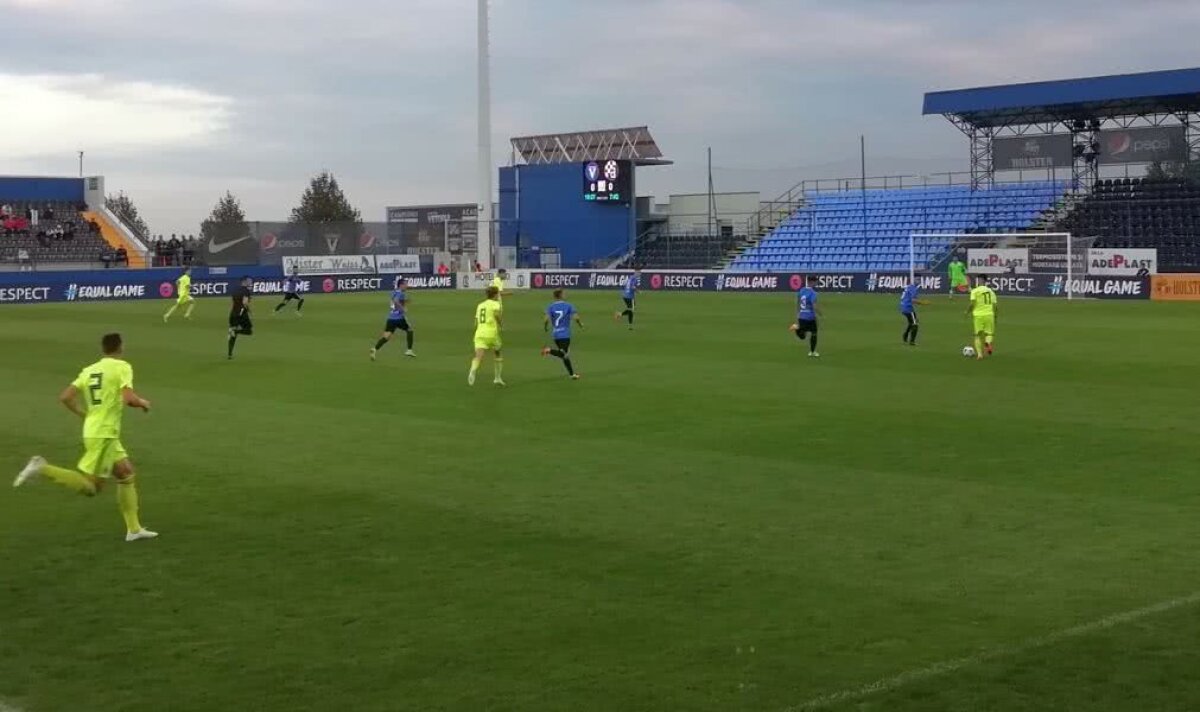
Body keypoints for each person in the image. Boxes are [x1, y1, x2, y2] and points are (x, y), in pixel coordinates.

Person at [13, 333, 157, 542]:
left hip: (95, 430)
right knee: (92, 488)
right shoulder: (122, 367)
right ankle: (42, 468)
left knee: (126, 473)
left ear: (103, 348)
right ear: (120, 347)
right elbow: (128, 399)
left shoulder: (89, 370)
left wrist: (85, 414)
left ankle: (134, 530)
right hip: (104, 434)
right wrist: (143, 403)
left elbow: (65, 397)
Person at [370, 276, 416, 360]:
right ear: (401, 285)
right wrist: (403, 309)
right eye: (405, 284)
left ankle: (375, 349)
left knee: (386, 336)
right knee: (410, 330)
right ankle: (409, 350)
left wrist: (405, 301)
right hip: (398, 318)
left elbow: (396, 301)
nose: (406, 285)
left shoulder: (394, 291)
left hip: (391, 318)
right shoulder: (400, 293)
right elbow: (396, 301)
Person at [541, 289, 583, 380]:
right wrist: (580, 324)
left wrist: (545, 327)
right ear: (561, 295)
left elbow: (546, 319)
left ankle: (572, 374)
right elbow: (576, 317)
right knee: (564, 354)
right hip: (565, 334)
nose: (565, 295)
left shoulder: (550, 306)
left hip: (556, 334)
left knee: (565, 355)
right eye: (564, 294)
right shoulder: (568, 305)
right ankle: (548, 350)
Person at [468, 285, 504, 386]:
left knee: (478, 356)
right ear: (495, 294)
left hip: (479, 333)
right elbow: (497, 315)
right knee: (498, 352)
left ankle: (473, 369)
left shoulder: (480, 305)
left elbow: (475, 322)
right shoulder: (495, 304)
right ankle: (497, 378)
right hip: (491, 333)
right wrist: (501, 324)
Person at [966, 275, 997, 360]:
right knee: (989, 334)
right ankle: (988, 342)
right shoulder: (991, 291)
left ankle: (980, 355)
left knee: (977, 335)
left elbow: (972, 304)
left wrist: (967, 311)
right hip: (989, 314)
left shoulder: (975, 291)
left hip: (978, 315)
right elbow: (995, 305)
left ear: (979, 280)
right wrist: (995, 316)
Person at [789, 276, 821, 357]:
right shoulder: (813, 293)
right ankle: (812, 352)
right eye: (815, 282)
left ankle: (797, 328)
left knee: (803, 336)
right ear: (811, 282)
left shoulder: (802, 290)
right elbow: (814, 306)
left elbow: (798, 301)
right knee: (814, 333)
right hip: (810, 317)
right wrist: (818, 313)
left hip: (802, 316)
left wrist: (798, 312)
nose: (816, 283)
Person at [227, 276, 254, 360]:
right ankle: (236, 331)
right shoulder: (246, 291)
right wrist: (249, 310)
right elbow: (245, 302)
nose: (250, 282)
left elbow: (234, 302)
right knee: (249, 331)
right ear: (244, 282)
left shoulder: (235, 290)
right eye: (249, 281)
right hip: (242, 314)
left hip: (233, 313)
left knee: (232, 336)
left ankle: (229, 354)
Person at [900, 278, 929, 346]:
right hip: (908, 308)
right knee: (915, 324)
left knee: (911, 322)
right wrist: (923, 303)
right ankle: (912, 341)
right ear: (914, 280)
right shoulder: (913, 288)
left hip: (903, 306)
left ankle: (905, 335)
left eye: (919, 280)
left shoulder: (908, 286)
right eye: (917, 280)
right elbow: (913, 300)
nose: (919, 281)